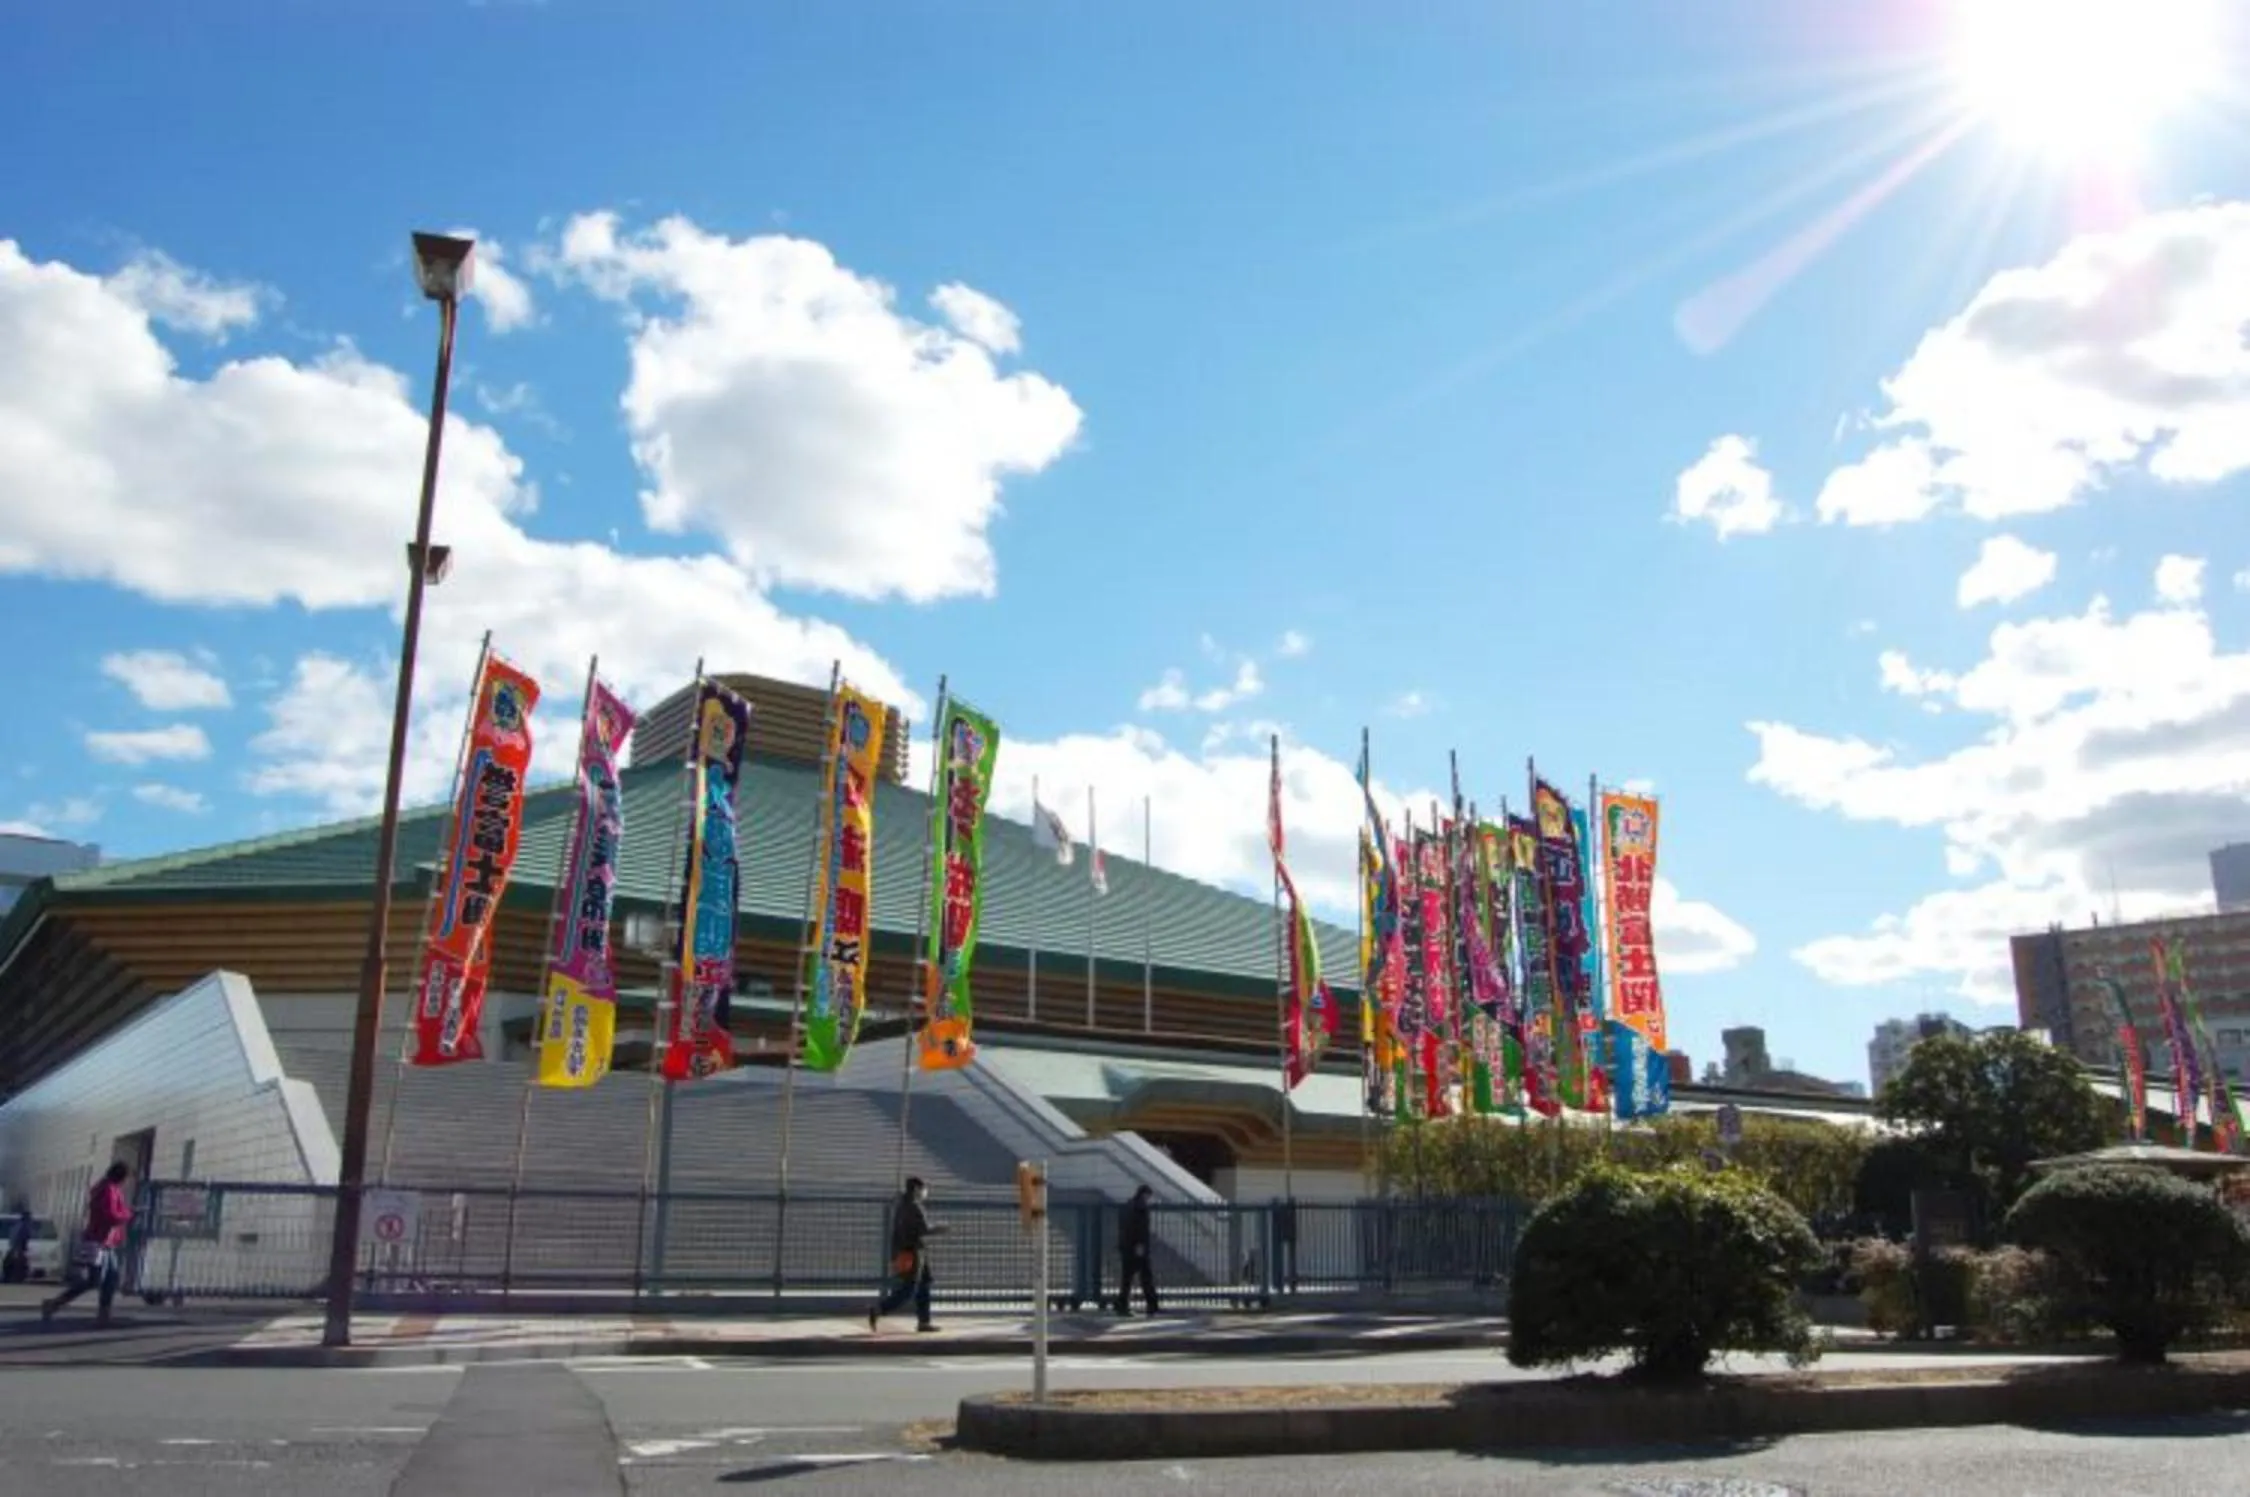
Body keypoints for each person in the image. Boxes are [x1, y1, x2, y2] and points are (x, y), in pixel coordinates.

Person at [44, 1162, 131, 1327]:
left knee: (110, 1278)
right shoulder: (108, 1190)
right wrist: (127, 1214)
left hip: (105, 1241)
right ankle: (54, 1304)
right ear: (121, 1177)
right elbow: (111, 1215)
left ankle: (103, 1315)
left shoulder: (108, 1188)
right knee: (95, 1280)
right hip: (99, 1241)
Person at [868, 1176, 947, 1333]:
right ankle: (880, 1309)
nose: (924, 1192)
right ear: (916, 1189)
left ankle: (924, 1321)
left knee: (924, 1284)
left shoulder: (901, 1205)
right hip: (913, 1252)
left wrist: (894, 1254)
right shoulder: (914, 1206)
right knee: (909, 1289)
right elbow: (923, 1229)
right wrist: (940, 1228)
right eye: (922, 1189)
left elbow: (897, 1232)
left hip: (910, 1250)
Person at [1116, 1184, 1159, 1317]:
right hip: (1138, 1248)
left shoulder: (1127, 1206)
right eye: (1148, 1196)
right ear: (1145, 1195)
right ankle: (1152, 1305)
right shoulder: (1141, 1208)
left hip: (1126, 1247)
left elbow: (1124, 1227)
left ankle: (1121, 1305)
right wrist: (1140, 1246)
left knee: (1127, 1278)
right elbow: (1140, 1229)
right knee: (1146, 1277)